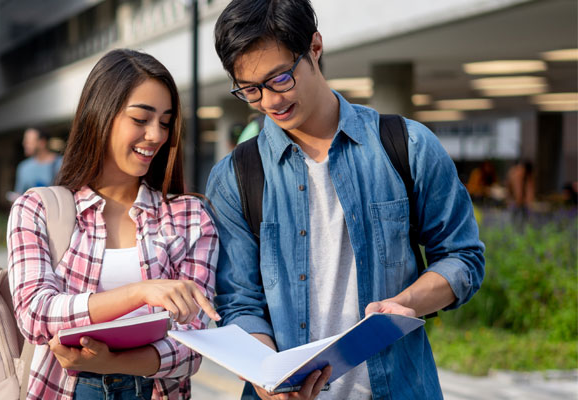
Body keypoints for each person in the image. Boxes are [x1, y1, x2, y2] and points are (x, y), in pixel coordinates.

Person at [205, 1, 486, 399]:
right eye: (250, 90)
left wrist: (408, 302)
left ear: (315, 47)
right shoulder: (235, 177)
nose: (269, 102)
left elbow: (463, 257)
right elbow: (239, 299)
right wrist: (266, 374)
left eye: (280, 78)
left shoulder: (407, 146)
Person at [9, 48, 220, 400]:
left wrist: (115, 363)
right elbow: (35, 315)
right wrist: (141, 292)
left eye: (165, 122)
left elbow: (194, 344)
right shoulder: (39, 208)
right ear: (100, 114)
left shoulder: (190, 216)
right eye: (141, 119)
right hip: (64, 390)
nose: (156, 135)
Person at [13, 127, 64, 196]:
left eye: (28, 141)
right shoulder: (23, 167)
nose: (24, 144)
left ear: (42, 142)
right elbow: (19, 195)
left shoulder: (61, 164)